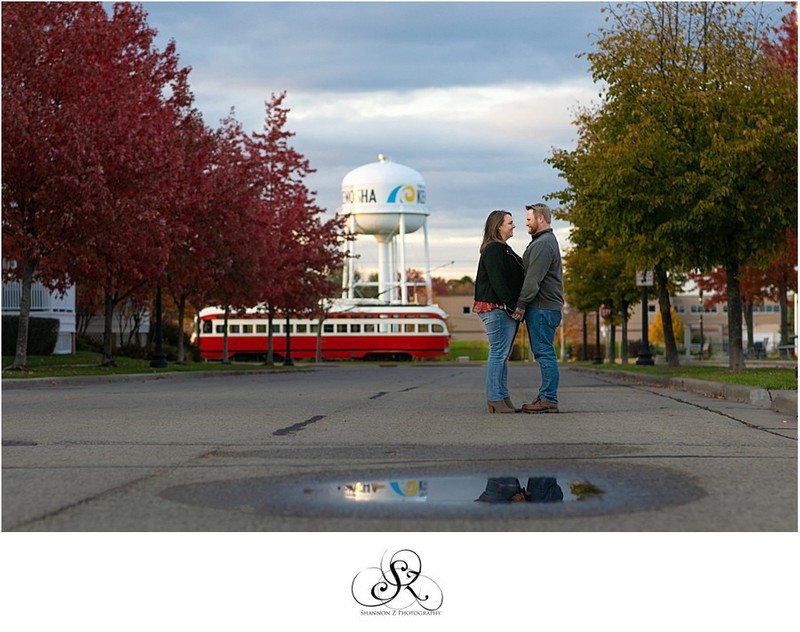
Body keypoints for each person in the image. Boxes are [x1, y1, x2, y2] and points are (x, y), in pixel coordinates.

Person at [510, 203, 564, 413]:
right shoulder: (545, 241)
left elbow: (533, 280)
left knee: (544, 353)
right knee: (544, 352)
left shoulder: (543, 244)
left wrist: (521, 305)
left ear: (541, 218)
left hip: (542, 307)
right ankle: (545, 397)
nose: (526, 223)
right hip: (545, 307)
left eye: (529, 219)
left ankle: (549, 399)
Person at [472, 210, 525, 413]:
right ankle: (495, 398)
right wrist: (513, 307)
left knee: (502, 355)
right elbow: (499, 282)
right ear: (498, 226)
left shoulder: (503, 249)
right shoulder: (494, 250)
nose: (514, 226)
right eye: (510, 223)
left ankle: (502, 396)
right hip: (496, 309)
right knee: (498, 354)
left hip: (502, 309)